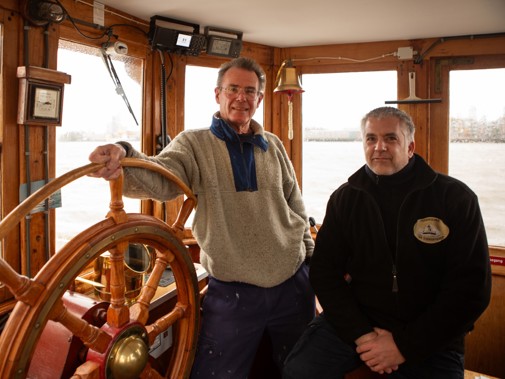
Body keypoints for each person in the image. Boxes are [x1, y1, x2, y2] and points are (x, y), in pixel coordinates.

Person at [88, 57, 315, 378]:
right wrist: (123, 155)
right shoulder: (194, 144)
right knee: (216, 373)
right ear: (218, 94)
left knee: (302, 369)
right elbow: (161, 179)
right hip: (234, 293)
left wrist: (310, 261)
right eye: (233, 89)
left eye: (250, 91)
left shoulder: (274, 145)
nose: (241, 97)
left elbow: (296, 206)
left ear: (260, 99)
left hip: (293, 284)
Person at [283, 106, 491, 379]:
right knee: (299, 371)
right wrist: (363, 336)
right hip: (357, 321)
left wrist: (403, 345)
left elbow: (471, 290)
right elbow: (325, 273)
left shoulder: (455, 199)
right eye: (371, 138)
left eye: (391, 138)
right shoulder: (345, 199)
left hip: (430, 332)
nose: (379, 146)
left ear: (410, 146)